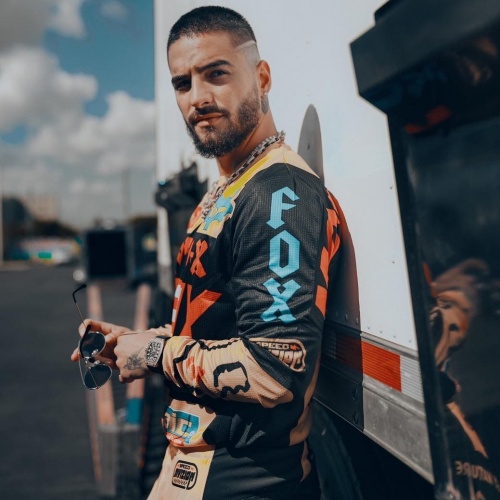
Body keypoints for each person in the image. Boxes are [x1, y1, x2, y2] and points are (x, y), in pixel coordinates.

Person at [72, 6, 342, 499]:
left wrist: (157, 352)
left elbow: (275, 368)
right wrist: (139, 342)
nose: (197, 98)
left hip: (246, 477)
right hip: (191, 464)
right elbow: (218, 329)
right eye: (182, 83)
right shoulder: (227, 189)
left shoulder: (281, 192)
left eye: (216, 73)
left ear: (261, 77)